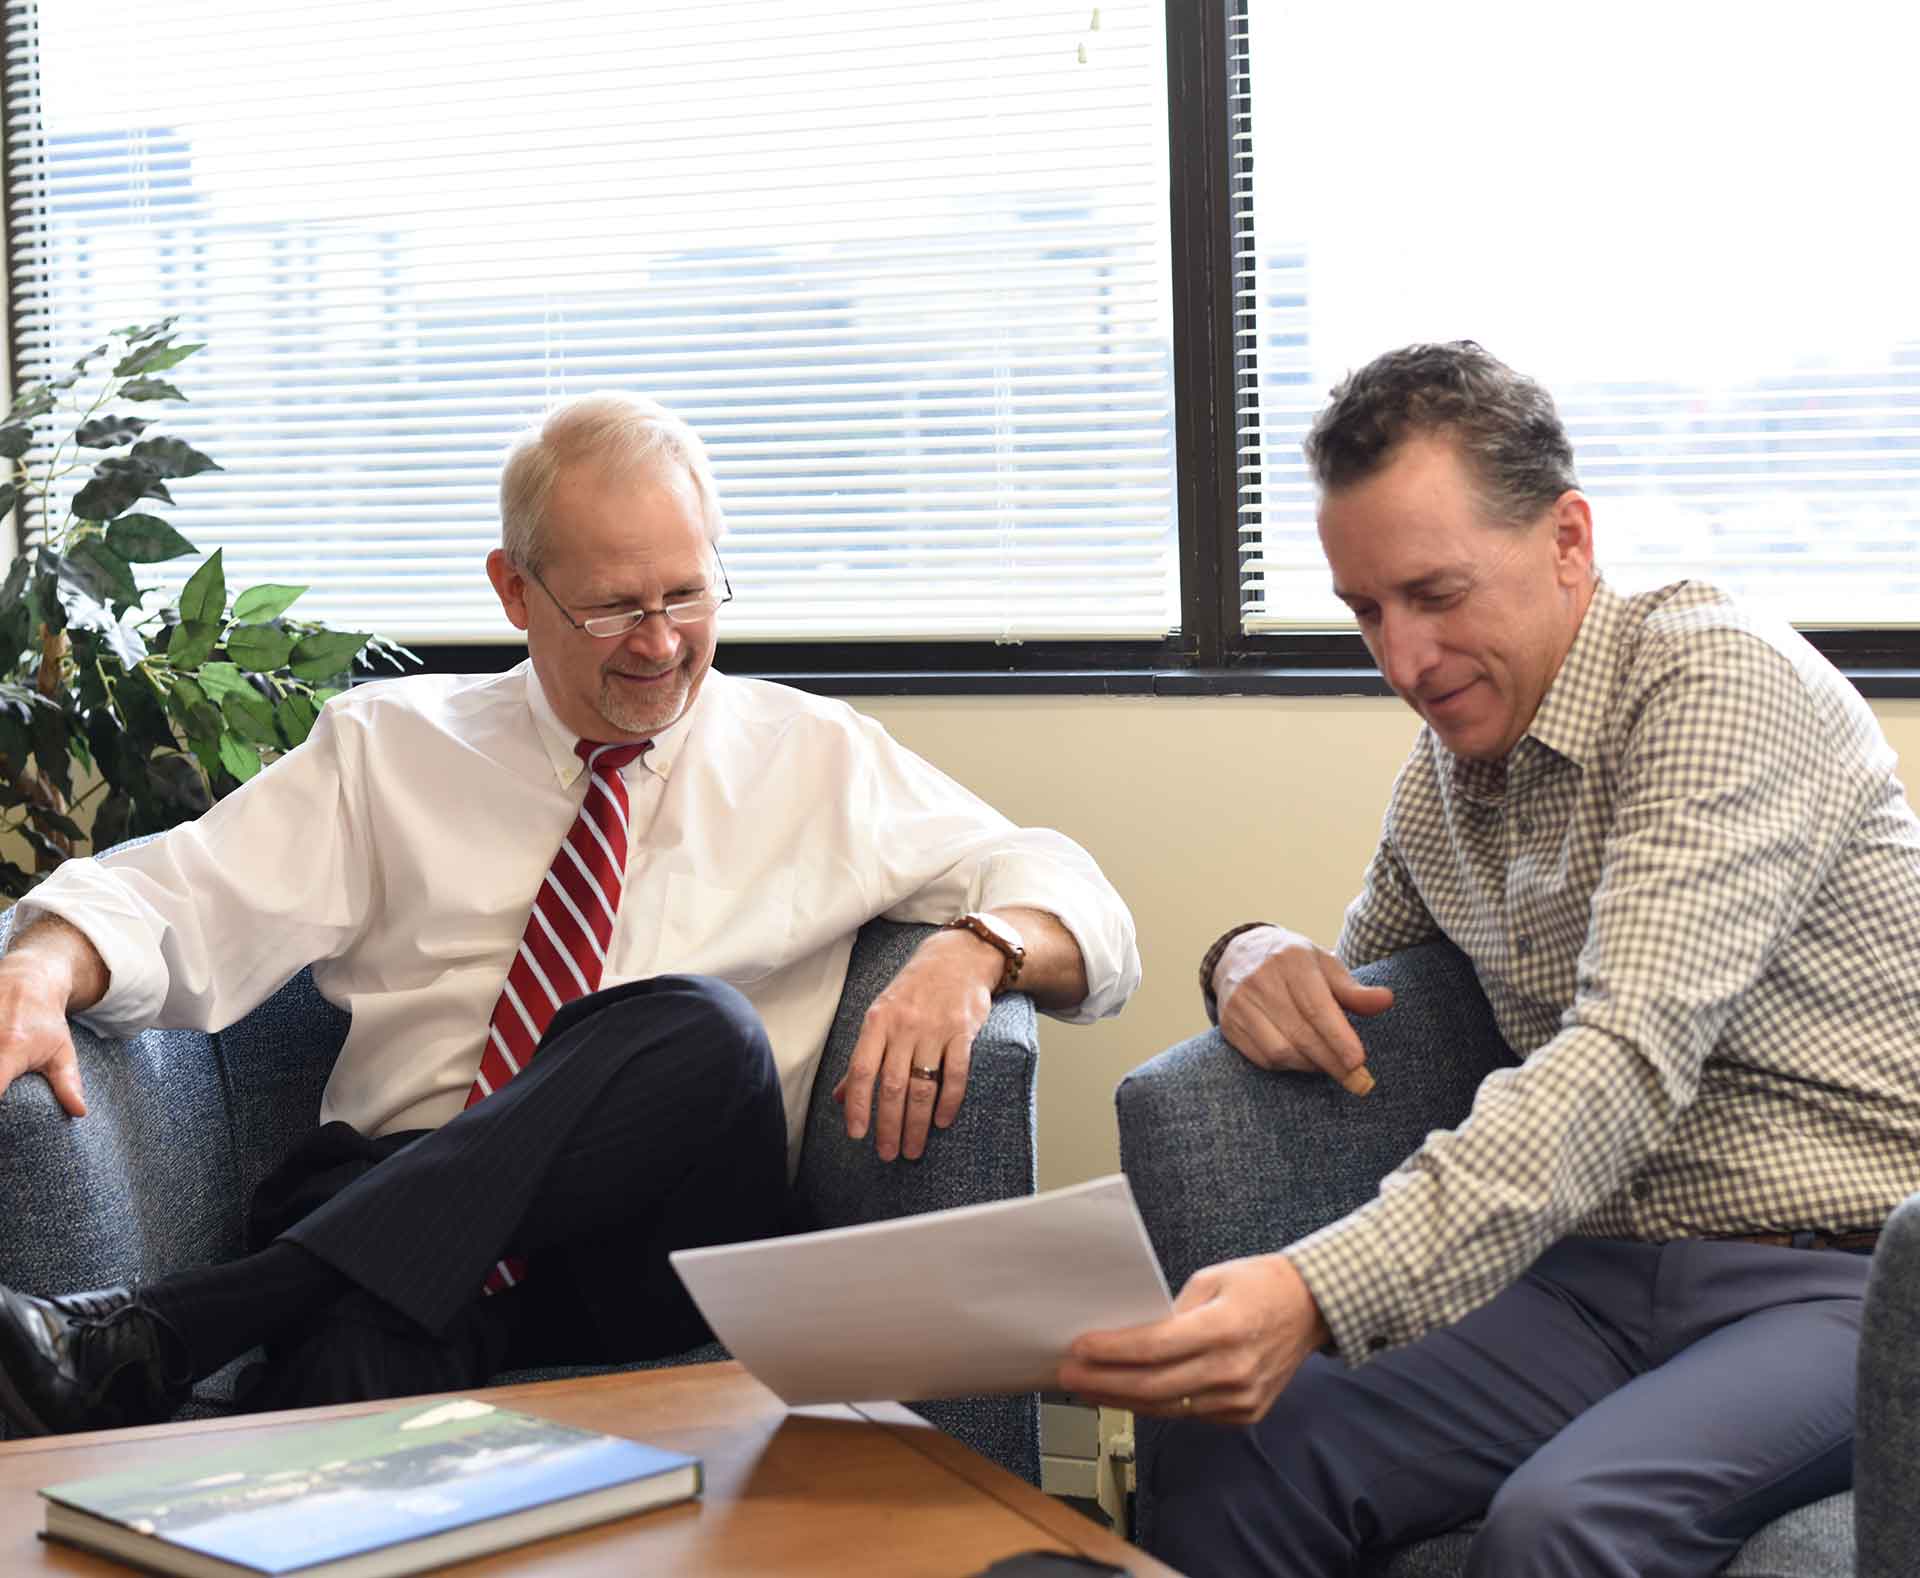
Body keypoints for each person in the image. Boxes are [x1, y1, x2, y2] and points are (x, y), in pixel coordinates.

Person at [0, 392, 1139, 1437]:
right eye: (611, 608)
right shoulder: (389, 748)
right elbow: (178, 891)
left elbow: (1076, 898)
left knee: (699, 1029)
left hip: (650, 1253)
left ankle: (173, 1327)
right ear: (514, 591)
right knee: (342, 1375)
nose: (658, 643)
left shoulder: (817, 758)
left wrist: (977, 947)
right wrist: (41, 968)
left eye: (687, 595)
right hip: (395, 1202)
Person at [1060, 341, 1920, 1576]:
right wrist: (1247, 956)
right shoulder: (1454, 777)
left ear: (1569, 540)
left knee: (1566, 1521)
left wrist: (1313, 1291)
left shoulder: (1717, 685)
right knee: (1236, 1438)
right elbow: (1365, 988)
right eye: (1368, 611)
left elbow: (1621, 1062)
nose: (1405, 662)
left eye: (1438, 592)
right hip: (1593, 1278)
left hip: (1848, 1281)